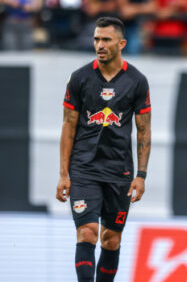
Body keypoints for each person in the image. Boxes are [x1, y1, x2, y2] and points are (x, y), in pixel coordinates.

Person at [56, 17, 152, 282]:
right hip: (83, 169)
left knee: (111, 239)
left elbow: (144, 130)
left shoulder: (137, 81)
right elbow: (68, 126)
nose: (99, 44)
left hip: (119, 172)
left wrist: (141, 175)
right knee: (87, 232)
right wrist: (64, 174)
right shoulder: (80, 78)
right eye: (97, 39)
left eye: (106, 39)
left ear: (121, 43)